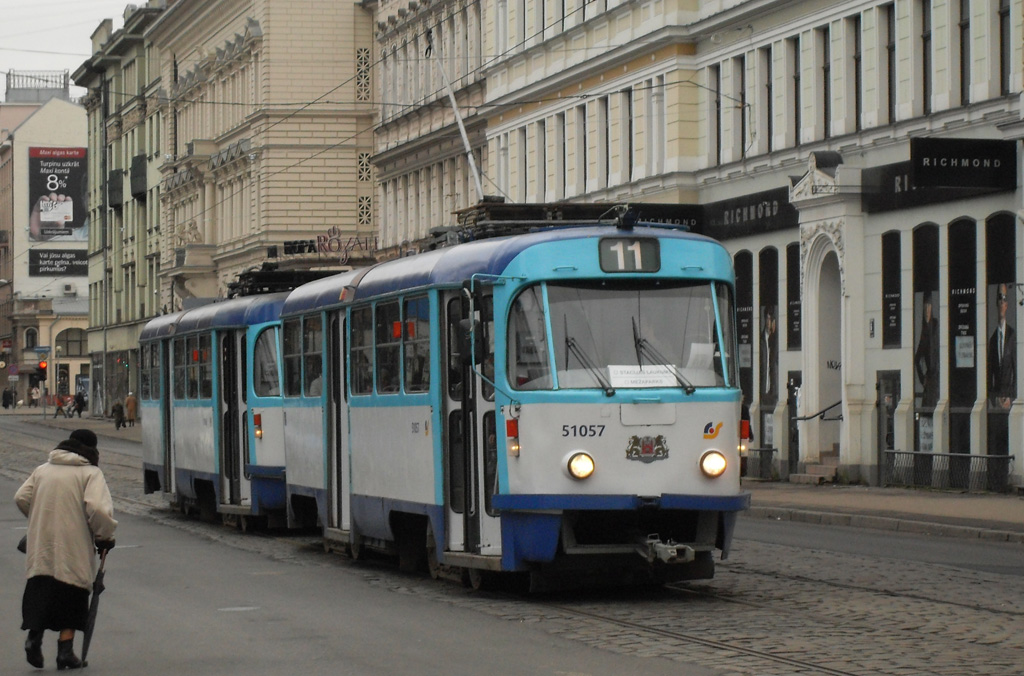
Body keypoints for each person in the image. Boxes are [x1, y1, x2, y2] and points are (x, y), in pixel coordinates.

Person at [15, 429, 117, 670]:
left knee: (41, 588)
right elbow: (99, 510)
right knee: (71, 593)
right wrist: (105, 537)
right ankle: (65, 651)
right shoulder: (90, 473)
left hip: (42, 541)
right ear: (92, 450)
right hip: (74, 542)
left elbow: (21, 497)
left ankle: (33, 639)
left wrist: (39, 516)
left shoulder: (43, 470)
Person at [988, 283, 1016, 410]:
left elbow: (1017, 372)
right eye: (1000, 298)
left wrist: (1012, 398)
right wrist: (993, 398)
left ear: (1007, 304)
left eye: (1004, 298)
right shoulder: (992, 340)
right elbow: (989, 374)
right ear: (996, 303)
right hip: (997, 403)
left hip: (1010, 400)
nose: (1002, 302)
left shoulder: (1012, 336)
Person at [914, 292, 940, 408]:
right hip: (930, 379)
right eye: (925, 307)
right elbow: (916, 359)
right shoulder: (924, 333)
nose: (927, 311)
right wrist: (922, 378)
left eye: (929, 307)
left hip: (937, 377)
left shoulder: (935, 325)